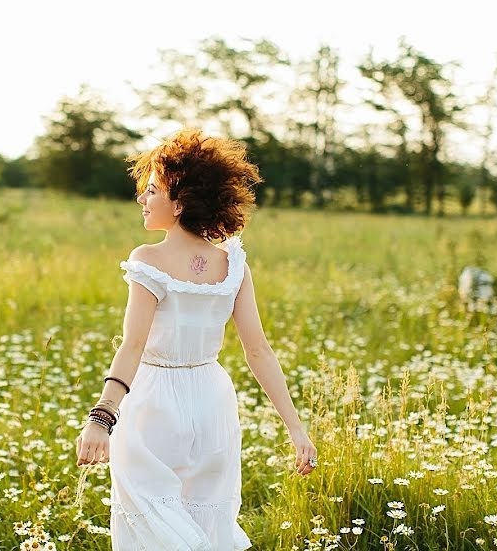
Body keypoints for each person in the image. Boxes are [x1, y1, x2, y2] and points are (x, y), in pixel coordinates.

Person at [75, 128, 318, 550]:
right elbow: (258, 350)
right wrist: (295, 428)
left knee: (149, 524)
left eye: (152, 191)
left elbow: (132, 345)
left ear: (180, 203)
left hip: (153, 402)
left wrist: (101, 418)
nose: (142, 199)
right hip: (211, 400)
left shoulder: (148, 260)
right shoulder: (233, 264)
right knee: (206, 519)